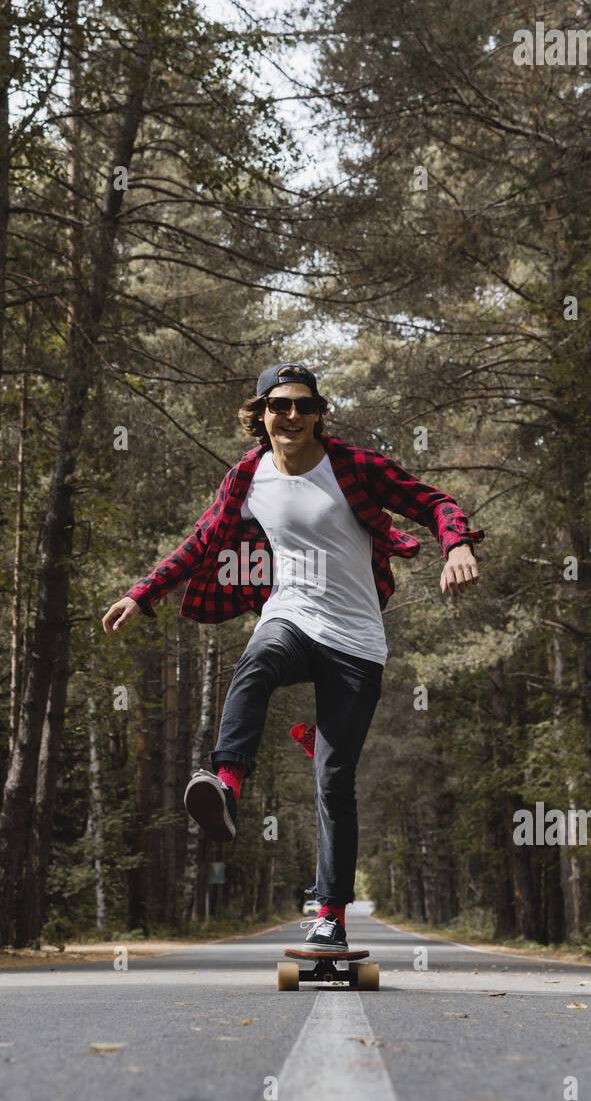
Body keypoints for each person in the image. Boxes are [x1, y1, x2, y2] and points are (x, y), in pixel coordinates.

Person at [103, 362, 484, 949]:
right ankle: (227, 784)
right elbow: (201, 541)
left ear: (318, 414)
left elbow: (434, 502)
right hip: (292, 615)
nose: (292, 415)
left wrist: (456, 546)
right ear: (259, 415)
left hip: (356, 638)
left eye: (305, 405)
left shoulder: (354, 466)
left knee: (334, 779)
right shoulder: (247, 476)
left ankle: (330, 916)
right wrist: (142, 592)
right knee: (257, 659)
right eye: (279, 405)